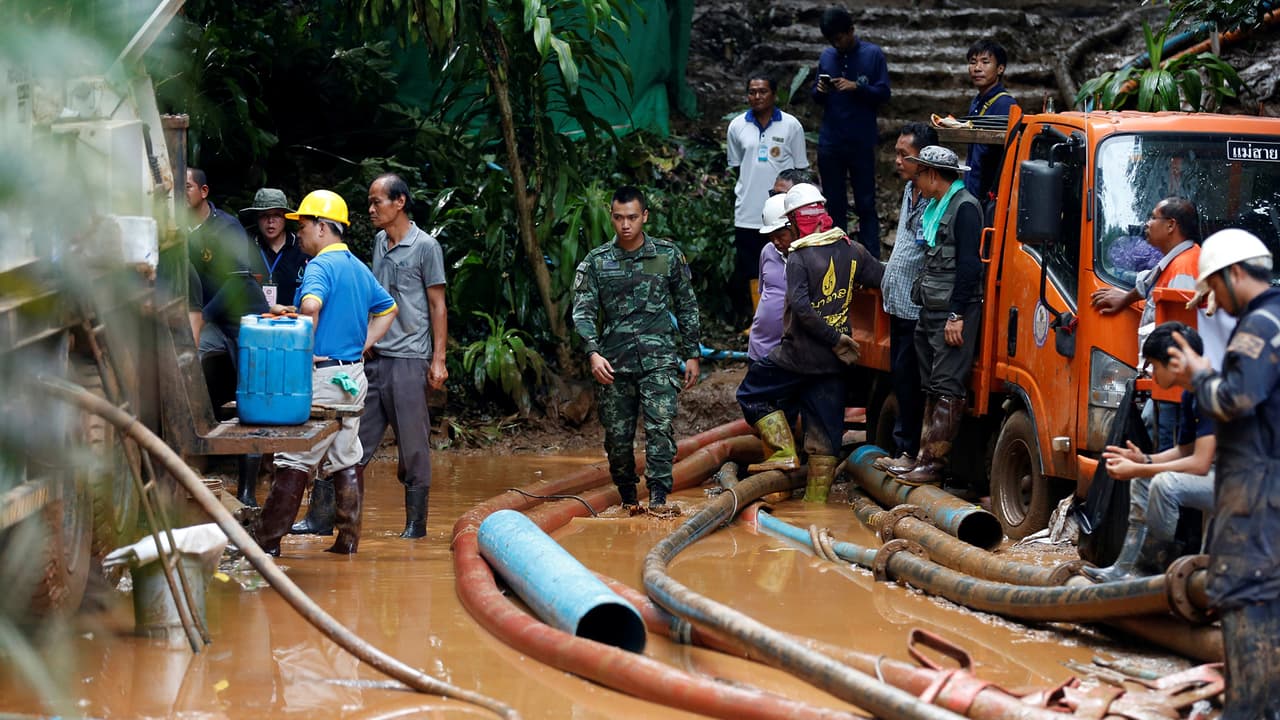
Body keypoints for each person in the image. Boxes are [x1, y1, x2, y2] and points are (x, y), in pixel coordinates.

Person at [1168, 228, 1280, 719]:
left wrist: (1197, 372)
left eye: (1214, 287)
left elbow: (1234, 398)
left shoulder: (1260, 325)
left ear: (1235, 274)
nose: (1212, 301)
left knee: (1247, 596)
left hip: (1258, 493)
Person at [254, 190, 398, 556]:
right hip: (352, 378)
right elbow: (388, 309)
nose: (299, 234)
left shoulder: (319, 266)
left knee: (294, 459)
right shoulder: (356, 266)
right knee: (346, 456)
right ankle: (347, 540)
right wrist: (362, 345)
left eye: (302, 226)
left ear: (321, 227)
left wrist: (303, 346)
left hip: (322, 380)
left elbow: (313, 304)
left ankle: (266, 542)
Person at [736, 182, 883, 503]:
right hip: (833, 365)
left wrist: (832, 337)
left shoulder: (800, 257)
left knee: (750, 393)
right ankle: (815, 510)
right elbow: (882, 279)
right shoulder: (852, 250)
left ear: (797, 220)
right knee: (826, 441)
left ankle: (783, 451)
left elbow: (801, 308)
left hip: (797, 356)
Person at [572, 186, 701, 511]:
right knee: (617, 441)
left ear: (644, 216)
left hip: (659, 361)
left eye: (632, 217)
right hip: (614, 365)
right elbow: (583, 310)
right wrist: (592, 351)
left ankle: (658, 498)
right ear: (611, 217)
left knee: (660, 429)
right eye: (618, 218)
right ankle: (629, 498)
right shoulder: (597, 262)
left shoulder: (667, 256)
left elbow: (686, 304)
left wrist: (692, 353)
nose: (625, 225)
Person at [1082, 322, 1215, 582]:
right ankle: (1126, 567)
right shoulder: (1190, 395)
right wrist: (1145, 460)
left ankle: (1151, 571)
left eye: (1154, 365)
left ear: (1173, 362)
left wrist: (1141, 468)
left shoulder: (1210, 391)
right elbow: (1185, 450)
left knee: (1164, 484)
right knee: (1145, 480)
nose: (1152, 373)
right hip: (1218, 476)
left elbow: (1200, 464)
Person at [882, 146, 982, 486]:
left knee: (947, 384)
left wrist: (957, 315)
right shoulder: (937, 207)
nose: (917, 182)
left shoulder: (965, 208)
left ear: (934, 176)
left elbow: (969, 266)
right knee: (932, 385)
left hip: (951, 311)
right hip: (931, 306)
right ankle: (923, 458)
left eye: (920, 175)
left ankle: (933, 464)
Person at [186, 168, 269, 507]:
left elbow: (237, 281)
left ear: (204, 191)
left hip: (241, 318)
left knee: (251, 399)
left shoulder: (226, 227)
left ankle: (248, 492)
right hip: (209, 320)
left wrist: (201, 315)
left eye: (187, 186)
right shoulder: (178, 230)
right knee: (190, 365)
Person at [1091, 196, 1201, 451]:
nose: (1147, 223)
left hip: (1174, 389)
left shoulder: (1184, 268)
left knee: (1162, 444)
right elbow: (1149, 282)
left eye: (1153, 217)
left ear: (1171, 225)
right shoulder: (1176, 260)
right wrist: (1125, 298)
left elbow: (1181, 331)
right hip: (1165, 384)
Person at [872, 122, 938, 472]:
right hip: (897, 303)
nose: (897, 160)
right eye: (896, 153)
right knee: (900, 377)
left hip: (917, 308)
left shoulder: (934, 199)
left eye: (904, 154)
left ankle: (910, 453)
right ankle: (903, 449)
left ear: (923, 159)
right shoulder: (909, 191)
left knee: (913, 382)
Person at [727, 73, 809, 326]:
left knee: (787, 264)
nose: (757, 96)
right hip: (748, 212)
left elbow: (800, 170)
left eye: (763, 91)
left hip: (783, 215)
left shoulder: (791, 126)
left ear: (774, 95)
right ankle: (757, 321)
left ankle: (787, 319)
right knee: (751, 269)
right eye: (752, 92)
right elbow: (736, 165)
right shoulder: (737, 126)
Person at [811, 6, 890, 258]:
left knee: (866, 202)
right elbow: (815, 95)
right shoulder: (827, 56)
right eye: (832, 40)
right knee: (834, 203)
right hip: (830, 141)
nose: (837, 44)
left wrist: (857, 87)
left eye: (840, 38)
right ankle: (838, 258)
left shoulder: (873, 54)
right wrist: (821, 91)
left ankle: (871, 260)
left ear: (851, 31)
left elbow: (884, 93)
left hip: (861, 141)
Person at [963, 38, 1018, 204]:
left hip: (990, 192)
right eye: (973, 62)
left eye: (985, 62)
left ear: (1000, 68)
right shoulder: (977, 101)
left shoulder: (1005, 104)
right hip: (973, 185)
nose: (977, 68)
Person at [241, 188, 309, 311]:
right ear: (256, 218)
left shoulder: (301, 248)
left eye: (277, 215)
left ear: (285, 218)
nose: (270, 221)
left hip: (293, 323)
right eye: (264, 215)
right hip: (254, 323)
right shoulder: (245, 246)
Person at [747, 194, 794, 363]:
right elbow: (764, 293)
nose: (775, 241)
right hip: (759, 347)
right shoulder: (768, 251)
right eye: (771, 236)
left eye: (781, 236)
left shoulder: (810, 257)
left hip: (790, 352)